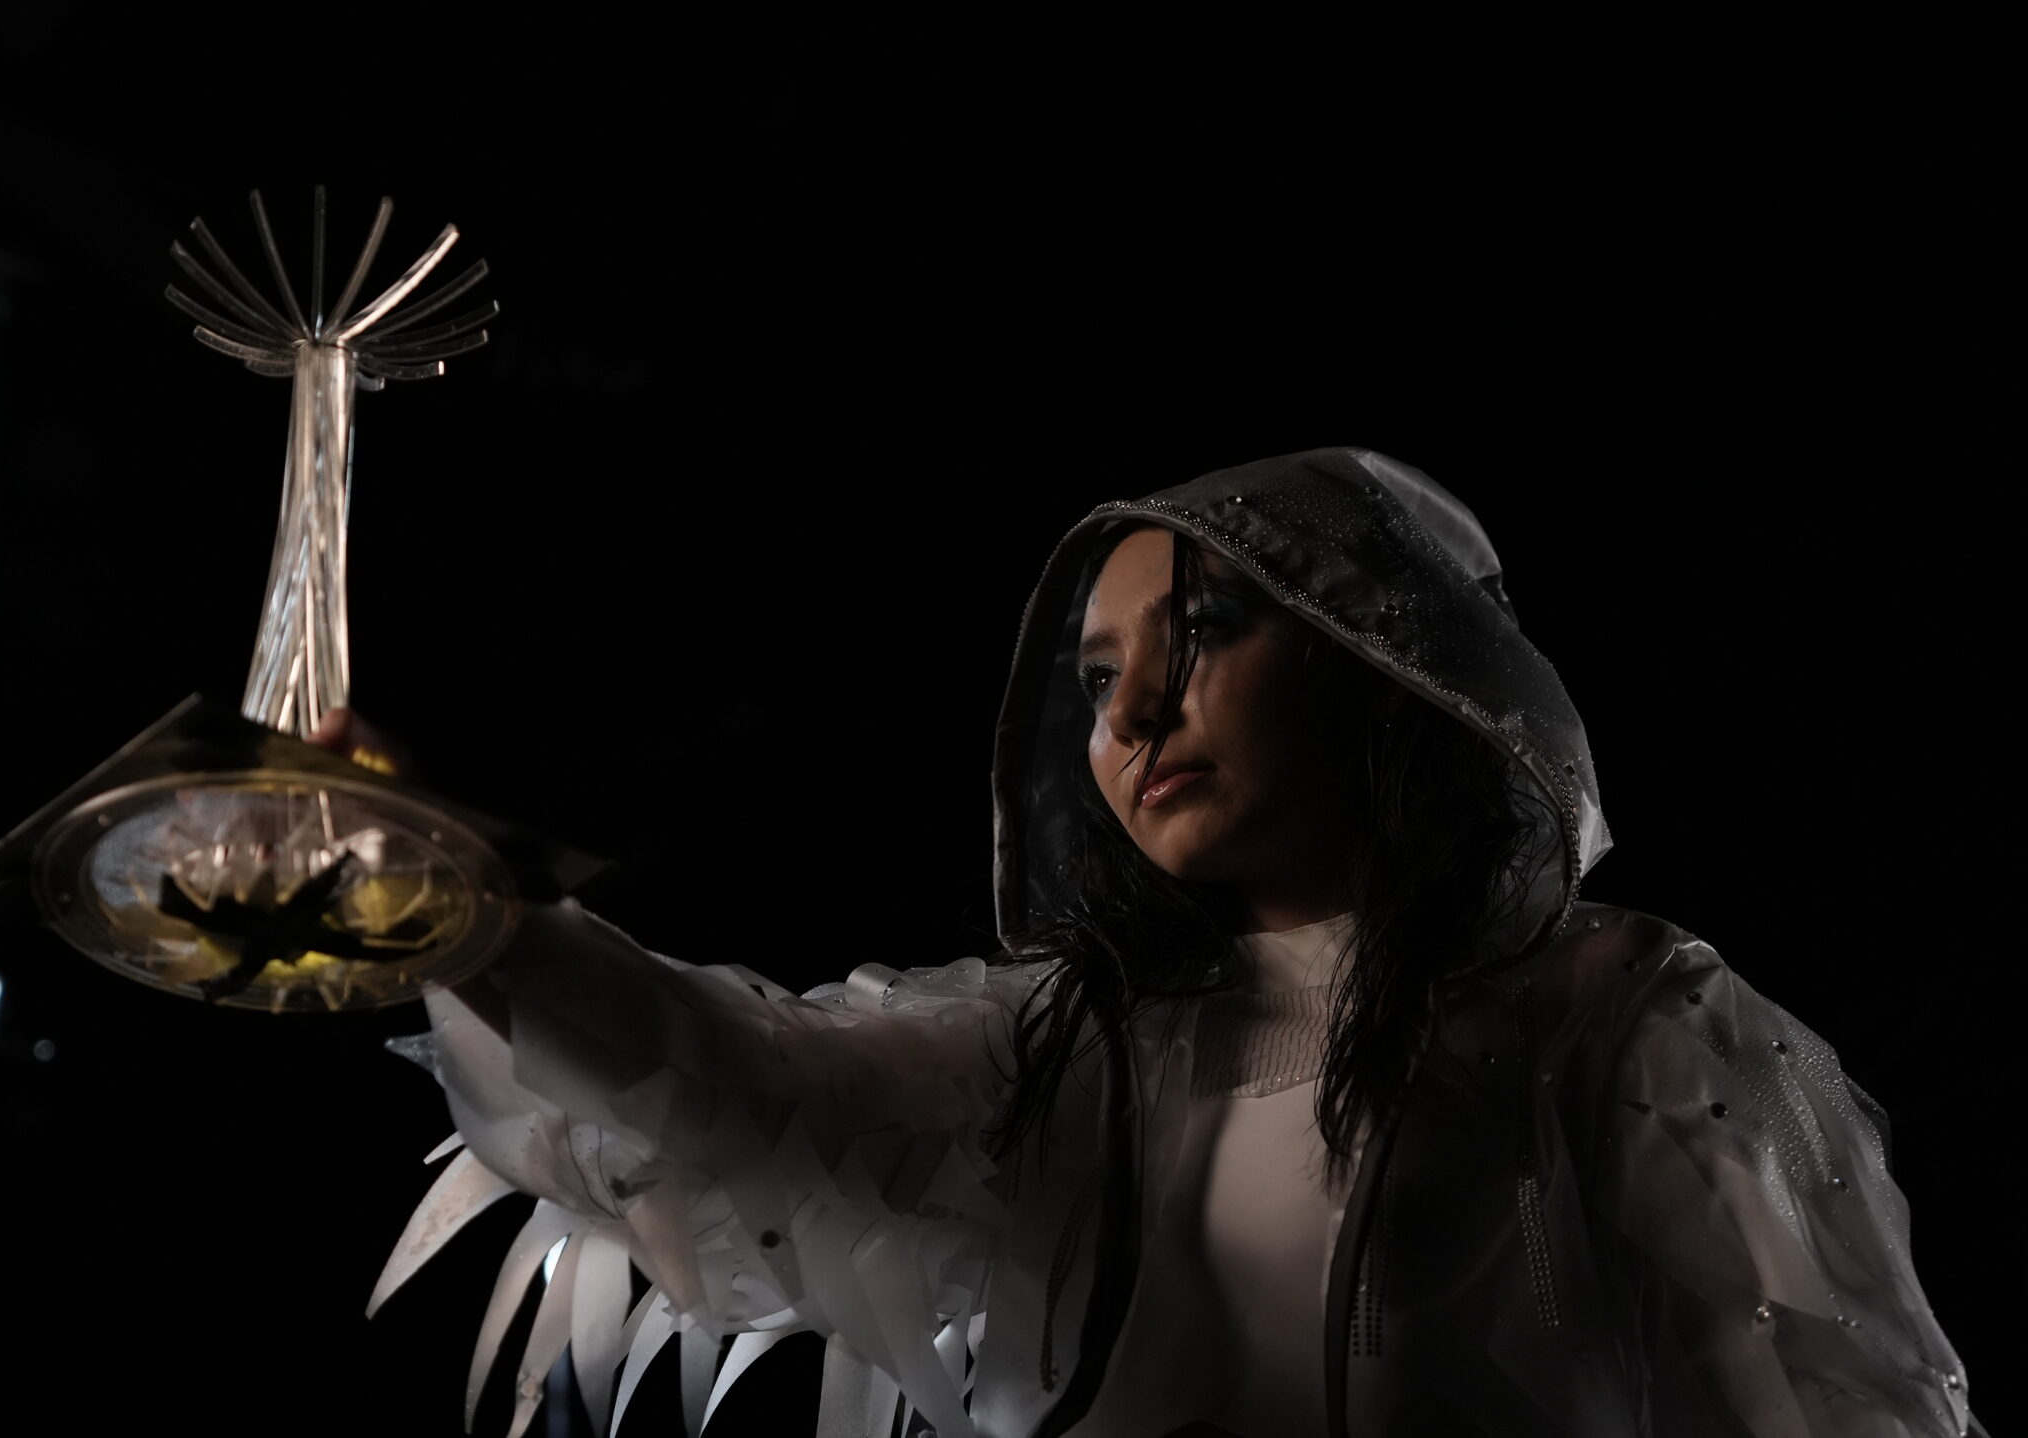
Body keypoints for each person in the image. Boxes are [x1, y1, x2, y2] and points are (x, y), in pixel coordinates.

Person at [343, 448, 1979, 1438]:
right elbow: (731, 1082)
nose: (1130, 714)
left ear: (1365, 648)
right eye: (1093, 673)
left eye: (1204, 627)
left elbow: (1833, 1402)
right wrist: (453, 894)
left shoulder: (1621, 1021)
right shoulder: (1072, 1047)